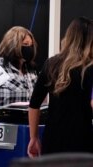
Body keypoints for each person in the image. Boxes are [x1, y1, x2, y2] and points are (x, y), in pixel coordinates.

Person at [28, 17, 93, 158]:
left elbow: (34, 104)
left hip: (52, 138)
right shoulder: (89, 67)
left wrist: (33, 137)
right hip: (82, 141)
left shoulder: (51, 64)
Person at [0, 26, 38, 109]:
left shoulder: (30, 70)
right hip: (0, 120)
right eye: (25, 44)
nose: (29, 48)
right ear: (13, 45)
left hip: (25, 119)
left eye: (31, 45)